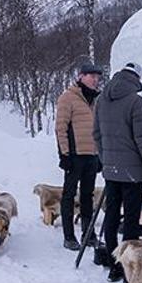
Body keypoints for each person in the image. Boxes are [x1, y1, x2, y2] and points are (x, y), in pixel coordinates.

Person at [91, 62, 142, 283]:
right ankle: (129, 267)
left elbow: (97, 134)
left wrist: (105, 159)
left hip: (111, 170)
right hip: (133, 171)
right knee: (130, 219)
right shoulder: (136, 101)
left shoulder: (101, 100)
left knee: (110, 216)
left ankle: (114, 265)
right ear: (137, 78)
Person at [54, 61, 104, 251]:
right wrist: (64, 154)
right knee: (69, 195)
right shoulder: (68, 97)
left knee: (87, 196)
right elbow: (60, 128)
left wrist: (99, 154)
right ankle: (69, 236)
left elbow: (99, 130)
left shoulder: (96, 100)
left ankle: (88, 234)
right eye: (92, 76)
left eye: (97, 77)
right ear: (81, 76)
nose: (95, 80)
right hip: (74, 156)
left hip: (91, 156)